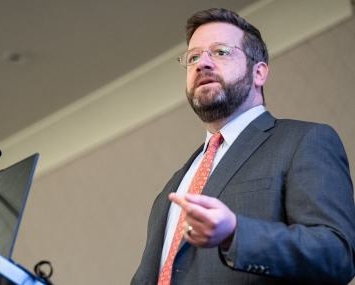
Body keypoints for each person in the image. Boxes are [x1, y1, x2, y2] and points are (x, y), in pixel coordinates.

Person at [131, 8, 355, 285]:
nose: (203, 63)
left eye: (221, 52)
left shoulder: (304, 141)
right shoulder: (172, 188)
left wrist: (236, 233)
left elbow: (337, 254)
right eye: (193, 57)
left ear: (259, 72)